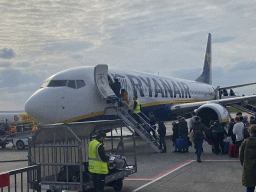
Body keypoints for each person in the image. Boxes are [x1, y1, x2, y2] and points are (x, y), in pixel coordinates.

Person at [240, 125, 256, 192]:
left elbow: (241, 156)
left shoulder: (246, 142)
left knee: (249, 188)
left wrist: (244, 164)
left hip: (249, 167)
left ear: (250, 132)